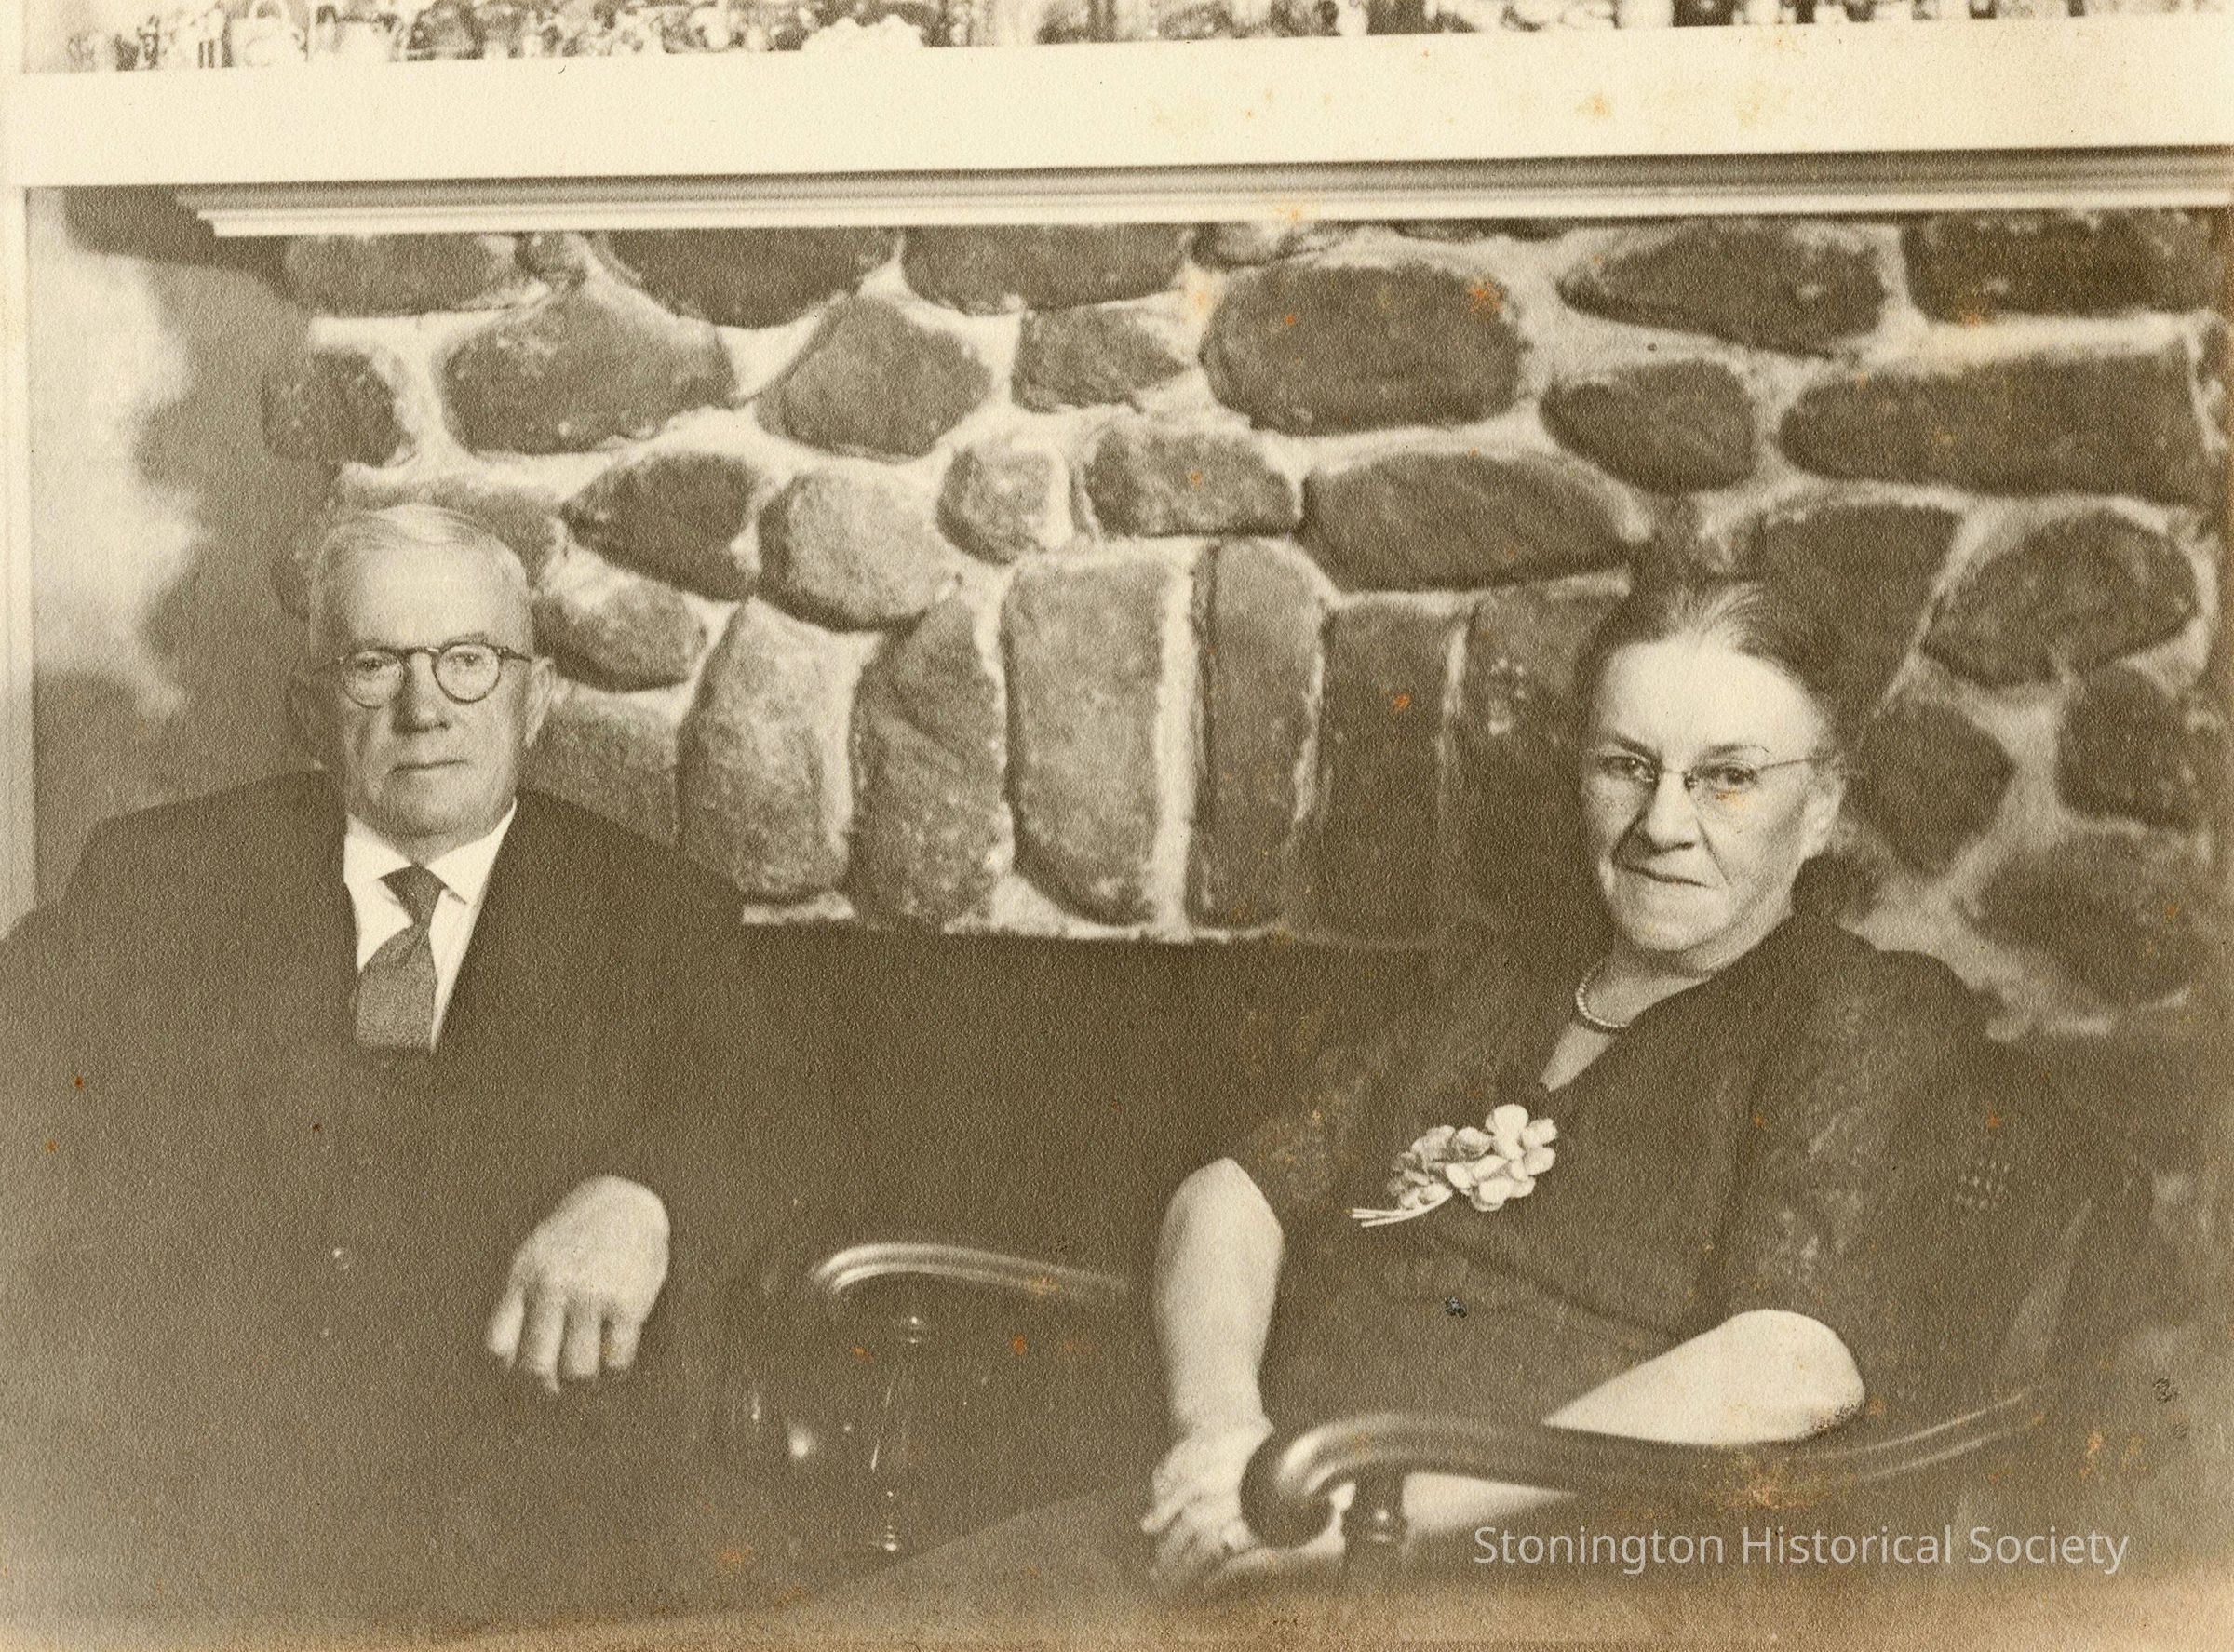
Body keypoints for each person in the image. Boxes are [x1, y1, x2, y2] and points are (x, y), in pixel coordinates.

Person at [780, 572, 2032, 1633]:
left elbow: (1792, 1362)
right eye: (1626, 765)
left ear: (1822, 808)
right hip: (1276, 1513)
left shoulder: (1860, 1013)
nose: (1661, 823)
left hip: (1536, 1581)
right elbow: (1234, 1191)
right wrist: (1224, 1438)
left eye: (1729, 779)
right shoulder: (1504, 984)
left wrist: (1357, 1504)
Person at [0, 504, 814, 1629]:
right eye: (375, 663)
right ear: (313, 709)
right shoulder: (159, 877)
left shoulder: (655, 911)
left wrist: (648, 1191)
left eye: (468, 661)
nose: (424, 708)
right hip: (194, 1526)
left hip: (519, 1533)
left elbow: (772, 1110)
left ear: (536, 699)